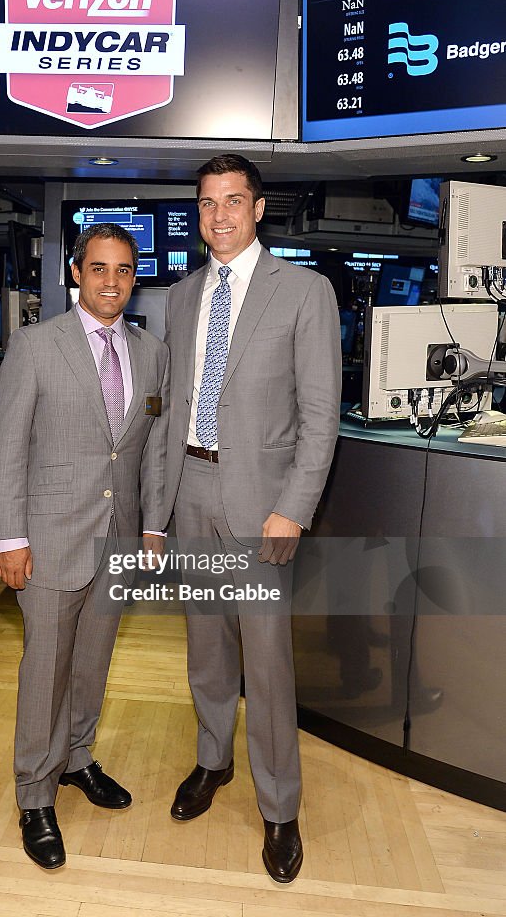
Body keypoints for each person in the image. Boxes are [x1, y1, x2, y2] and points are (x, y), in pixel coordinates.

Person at [162, 154, 341, 884]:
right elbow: (170, 408)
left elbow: (320, 415)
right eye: (207, 203)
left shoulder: (304, 291)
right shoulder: (178, 296)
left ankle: (280, 806)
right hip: (191, 494)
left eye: (233, 201)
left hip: (261, 506)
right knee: (206, 652)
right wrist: (158, 509)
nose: (219, 216)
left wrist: (291, 510)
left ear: (259, 208)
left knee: (264, 666)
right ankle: (212, 762)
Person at [0, 222, 169, 871]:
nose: (111, 282)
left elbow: (146, 447)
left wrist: (153, 526)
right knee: (46, 671)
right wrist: (10, 536)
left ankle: (77, 760)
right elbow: (6, 447)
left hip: (117, 539)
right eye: (99, 269)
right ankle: (34, 796)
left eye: (123, 270)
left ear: (134, 277)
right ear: (76, 273)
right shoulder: (36, 346)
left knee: (91, 665)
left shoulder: (151, 351)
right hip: (48, 541)